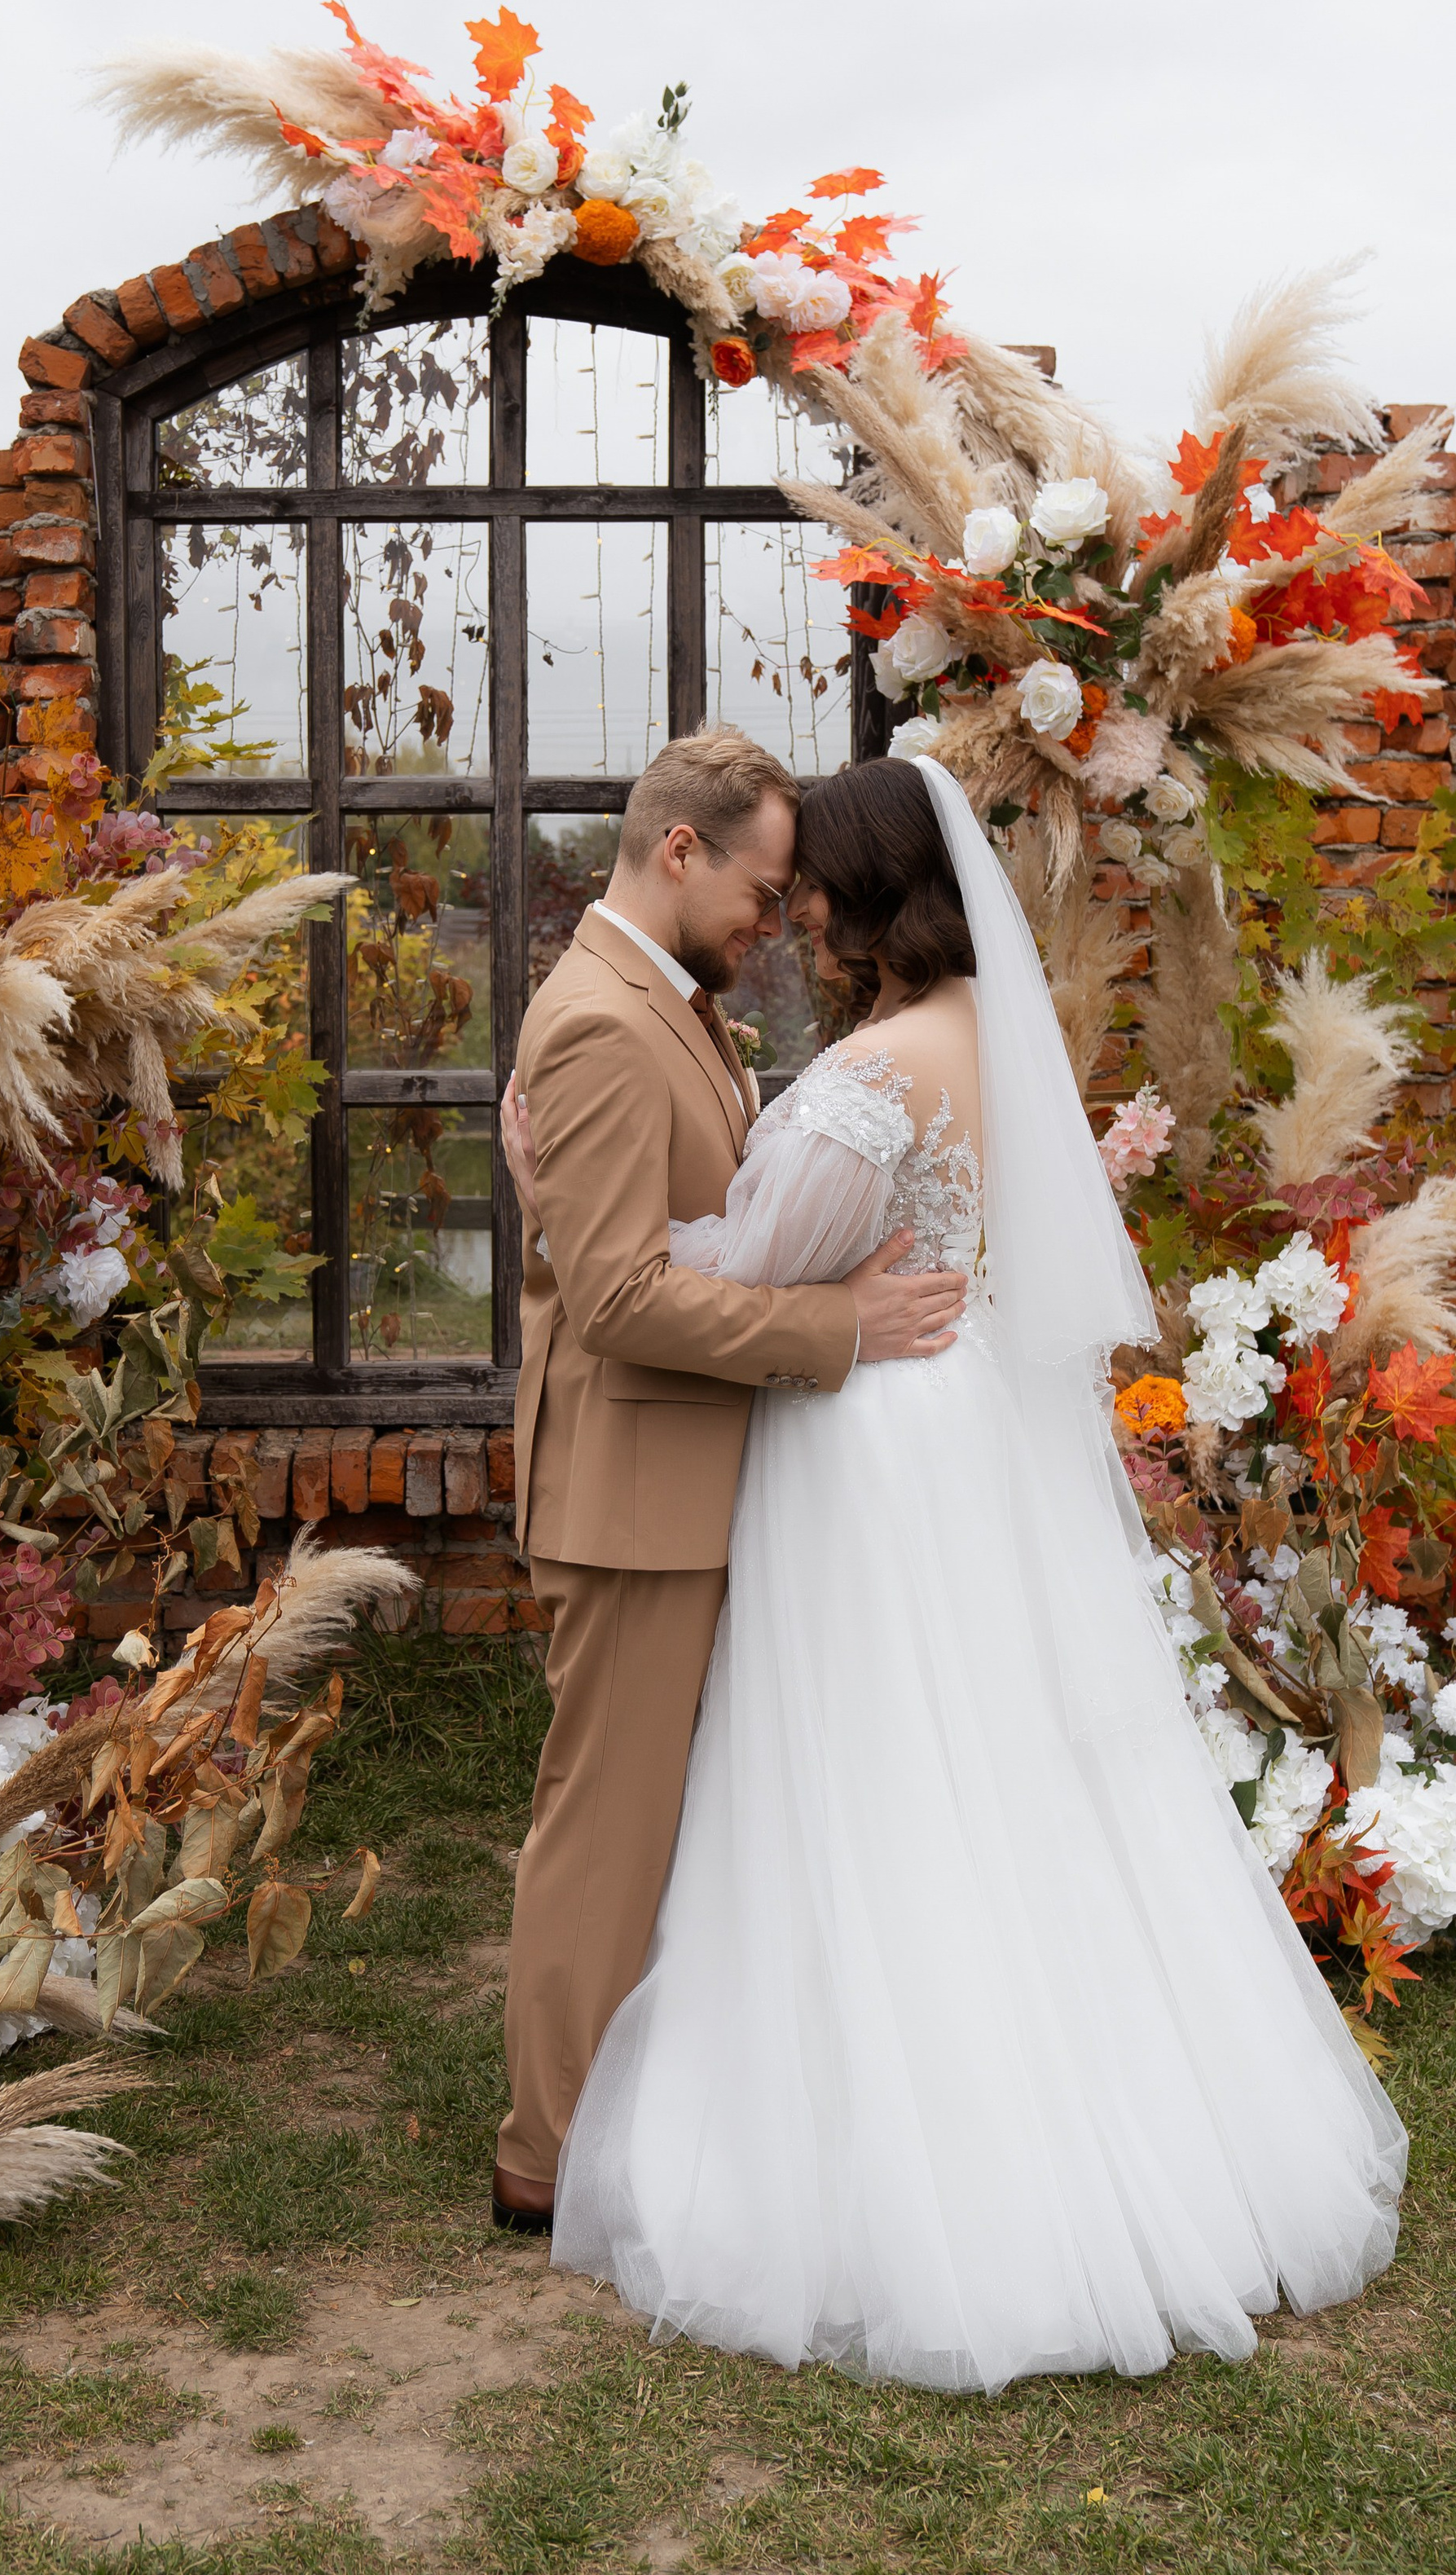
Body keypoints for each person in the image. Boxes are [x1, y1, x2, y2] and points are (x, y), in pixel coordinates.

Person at [501, 754, 1407, 2388]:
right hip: (956, 1440)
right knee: (975, 1771)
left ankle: (860, 2125)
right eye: (768, 892)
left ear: (866, 895)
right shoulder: (992, 1038)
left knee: (858, 1781)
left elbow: (717, 1263)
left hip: (869, 1445)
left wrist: (549, 1205)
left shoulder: (867, 1074)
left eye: (809, 892)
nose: (791, 920)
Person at [493, 729, 970, 2236]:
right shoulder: (600, 1021)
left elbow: (634, 1234)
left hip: (696, 1469)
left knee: (673, 1824)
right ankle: (545, 2154)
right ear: (678, 851)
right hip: (636, 1486)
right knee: (608, 1824)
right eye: (764, 891)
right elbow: (624, 1299)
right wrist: (841, 1328)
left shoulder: (668, 1006)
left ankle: (637, 2108)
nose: (782, 922)